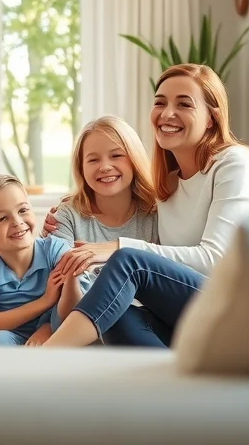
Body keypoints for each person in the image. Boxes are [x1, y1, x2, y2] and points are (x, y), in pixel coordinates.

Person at [41, 64, 249, 348]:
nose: (167, 113)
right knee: (116, 313)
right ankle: (172, 390)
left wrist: (116, 246)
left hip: (242, 312)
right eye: (160, 103)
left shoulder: (233, 163)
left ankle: (41, 362)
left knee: (128, 262)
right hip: (192, 314)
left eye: (184, 104)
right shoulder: (165, 188)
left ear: (212, 118)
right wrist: (61, 214)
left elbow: (216, 260)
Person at [47, 115, 164, 345]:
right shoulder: (67, 216)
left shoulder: (156, 213)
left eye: (116, 155)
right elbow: (64, 312)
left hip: (142, 322)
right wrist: (72, 274)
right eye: (93, 160)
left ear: (133, 159)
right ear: (81, 168)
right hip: (76, 322)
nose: (105, 167)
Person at [0, 175, 92, 346]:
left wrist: (48, 328)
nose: (17, 222)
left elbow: (78, 305)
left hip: (58, 331)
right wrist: (45, 301)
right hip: (12, 337)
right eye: (2, 218)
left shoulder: (55, 249)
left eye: (22, 210)